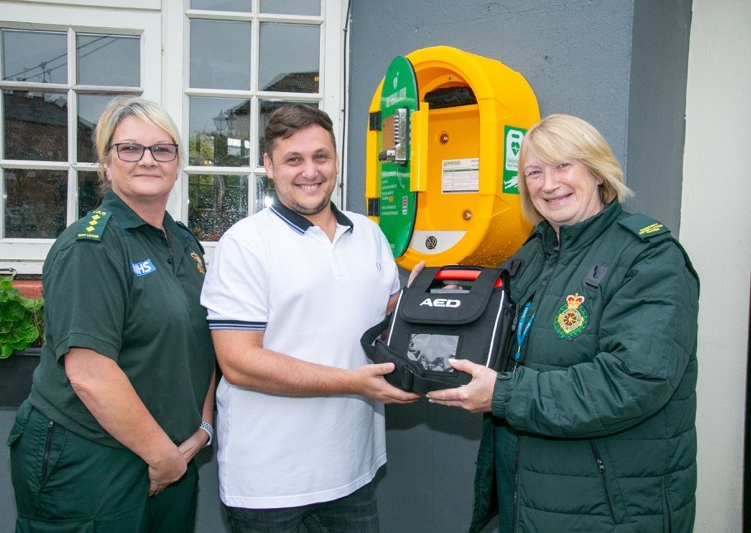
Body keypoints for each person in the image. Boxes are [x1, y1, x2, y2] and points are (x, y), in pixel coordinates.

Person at [426, 114, 699, 531]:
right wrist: (423, 302)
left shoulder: (649, 257)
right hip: (529, 501)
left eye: (563, 165)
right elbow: (487, 325)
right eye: (535, 172)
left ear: (597, 171)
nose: (548, 184)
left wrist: (503, 395)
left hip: (608, 510)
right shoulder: (535, 251)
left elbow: (634, 380)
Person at [200, 103, 420, 532]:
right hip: (270, 484)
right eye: (293, 160)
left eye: (321, 157)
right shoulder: (245, 244)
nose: (310, 171)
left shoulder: (369, 234)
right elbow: (239, 362)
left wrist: (431, 301)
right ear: (268, 166)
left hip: (353, 470)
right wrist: (354, 381)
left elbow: (388, 318)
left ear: (337, 159)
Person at [9, 96, 217, 532]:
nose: (148, 160)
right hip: (90, 456)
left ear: (178, 163)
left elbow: (202, 340)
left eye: (162, 149)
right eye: (130, 148)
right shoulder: (92, 247)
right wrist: (163, 457)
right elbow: (90, 373)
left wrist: (201, 429)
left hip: (172, 454)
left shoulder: (184, 244)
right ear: (105, 162)